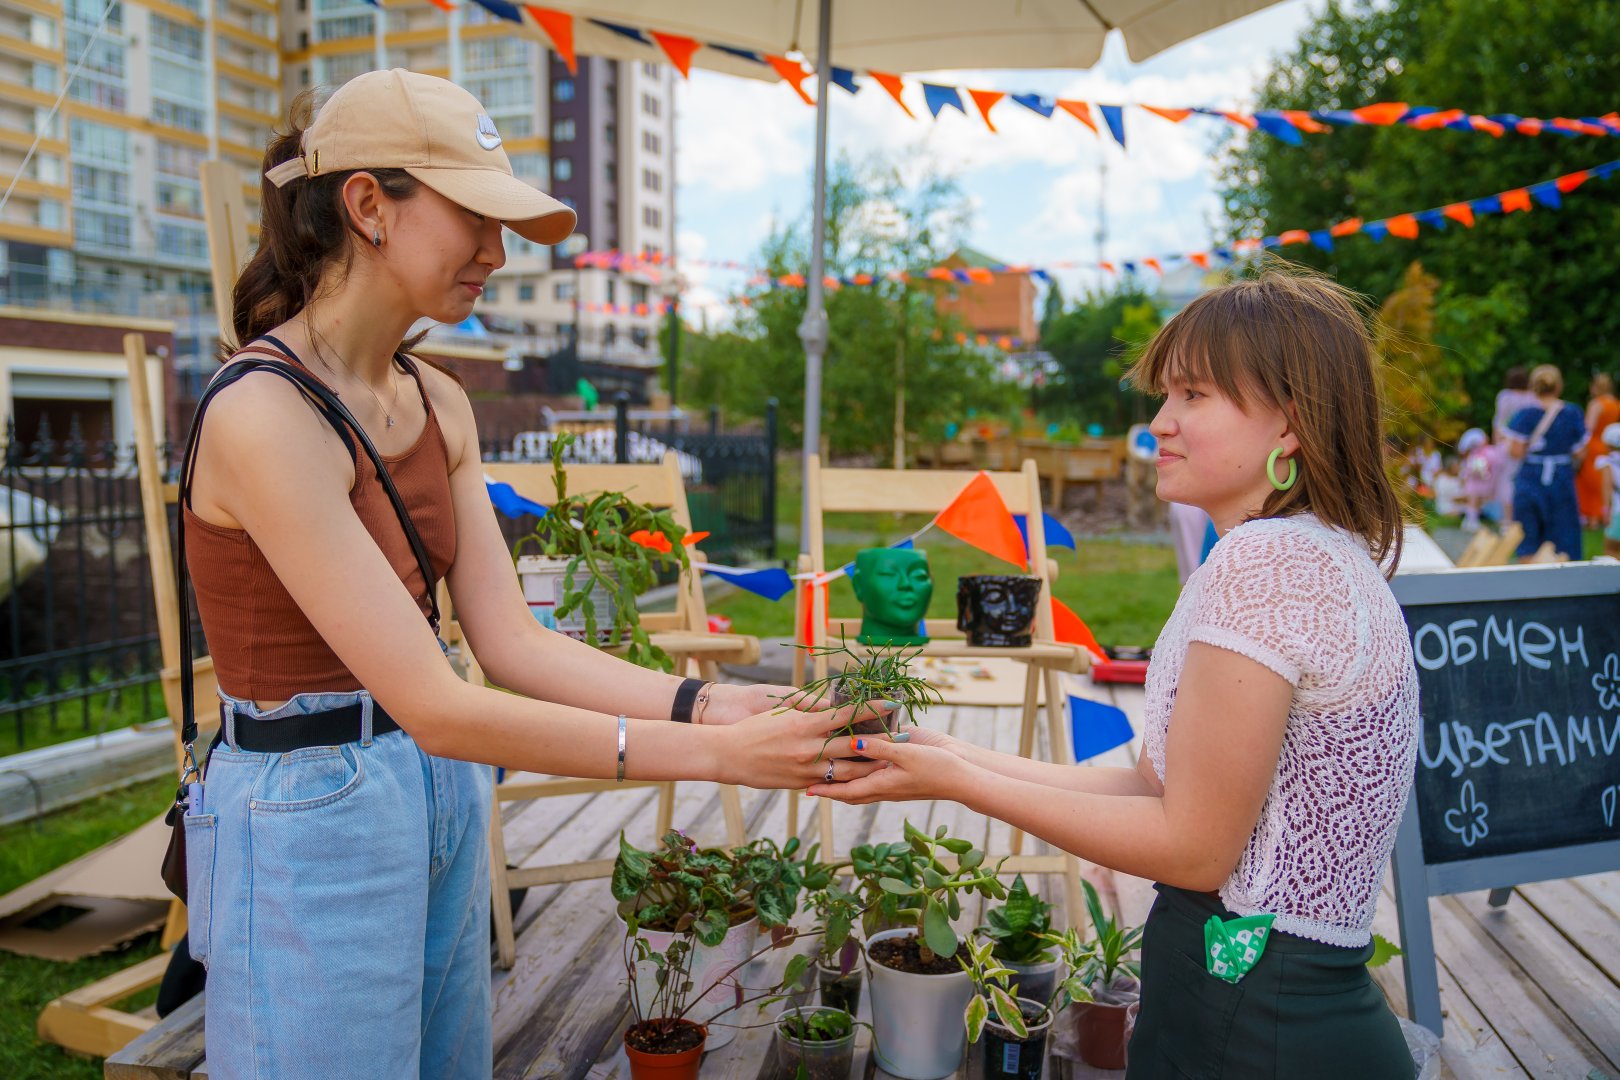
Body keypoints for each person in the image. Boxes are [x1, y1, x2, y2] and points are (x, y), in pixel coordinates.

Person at [182, 70, 883, 1080]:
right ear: (369, 205)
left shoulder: (439, 402)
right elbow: (439, 701)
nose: (497, 255)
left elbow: (512, 645)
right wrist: (717, 760)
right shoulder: (263, 413)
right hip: (309, 803)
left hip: (436, 790)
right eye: (474, 218)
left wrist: (713, 705)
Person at [811, 270, 1420, 1079]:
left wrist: (955, 783)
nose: (1160, 423)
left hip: (1257, 1020)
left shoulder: (1270, 562)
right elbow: (1153, 789)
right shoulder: (1302, 552)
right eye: (1166, 396)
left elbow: (1195, 850)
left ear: (1291, 424)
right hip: (1259, 999)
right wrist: (939, 756)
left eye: (1193, 396)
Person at [1502, 364, 1588, 561]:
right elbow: (1581, 452)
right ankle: (1565, 581)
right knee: (1564, 532)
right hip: (1561, 477)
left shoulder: (1525, 414)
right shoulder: (1572, 413)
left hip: (1530, 477)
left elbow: (1515, 451)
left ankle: (1530, 584)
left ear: (1534, 387)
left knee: (1528, 532)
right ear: (1558, 386)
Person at [1492, 366, 1538, 526]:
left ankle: (1507, 519)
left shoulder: (1505, 396)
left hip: (1507, 441)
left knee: (1507, 481)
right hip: (1527, 444)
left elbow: (1499, 422)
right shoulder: (1532, 397)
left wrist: (1498, 443)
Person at [1576, 373, 1619, 527]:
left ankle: (1593, 519)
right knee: (1603, 482)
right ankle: (1603, 517)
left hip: (1593, 445)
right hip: (1609, 446)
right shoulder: (1615, 403)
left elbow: (1589, 428)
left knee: (1589, 483)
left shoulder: (1596, 404)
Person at [1457, 427, 1503, 531]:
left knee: (1476, 501)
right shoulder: (1475, 453)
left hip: (1481, 481)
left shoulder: (1488, 451)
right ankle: (1470, 521)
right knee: (1473, 500)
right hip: (1475, 482)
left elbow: (1494, 463)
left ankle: (1471, 520)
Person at [1595, 422, 1620, 559]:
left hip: (1617, 510)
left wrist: (1606, 510)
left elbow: (1607, 486)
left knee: (1612, 550)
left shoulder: (1606, 462)